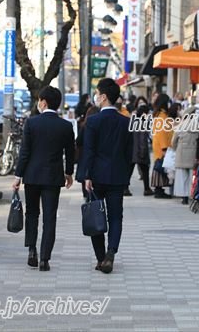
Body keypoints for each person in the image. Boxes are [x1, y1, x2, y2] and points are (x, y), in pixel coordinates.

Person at [12, 86, 75, 272]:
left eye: (39, 100)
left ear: (43, 102)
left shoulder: (31, 123)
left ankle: (32, 250)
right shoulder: (65, 126)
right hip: (53, 177)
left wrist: (18, 176)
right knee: (50, 218)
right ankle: (45, 259)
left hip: (32, 176)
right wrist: (69, 173)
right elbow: (70, 152)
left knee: (32, 214)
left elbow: (25, 152)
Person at [78, 78, 133, 274]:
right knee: (116, 216)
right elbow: (129, 154)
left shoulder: (93, 121)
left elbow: (89, 151)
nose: (95, 96)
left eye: (96, 93)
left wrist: (87, 175)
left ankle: (101, 258)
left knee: (96, 215)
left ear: (103, 97)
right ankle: (111, 253)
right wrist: (126, 176)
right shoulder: (126, 122)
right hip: (118, 176)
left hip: (96, 176)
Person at [171, 106, 199, 204]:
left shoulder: (181, 125)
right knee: (192, 175)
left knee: (182, 176)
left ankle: (184, 197)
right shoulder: (198, 124)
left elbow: (173, 141)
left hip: (181, 152)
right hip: (193, 153)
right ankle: (191, 195)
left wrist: (176, 149)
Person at [150, 94, 173, 199]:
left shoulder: (158, 115)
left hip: (158, 146)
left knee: (159, 166)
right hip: (162, 147)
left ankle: (159, 189)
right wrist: (164, 148)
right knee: (160, 167)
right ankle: (159, 190)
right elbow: (162, 133)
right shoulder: (162, 117)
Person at [131, 102, 153, 196]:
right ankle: (147, 189)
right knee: (145, 170)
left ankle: (125, 188)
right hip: (140, 151)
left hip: (132, 151)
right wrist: (143, 152)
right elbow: (142, 139)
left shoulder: (133, 121)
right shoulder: (143, 123)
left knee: (129, 170)